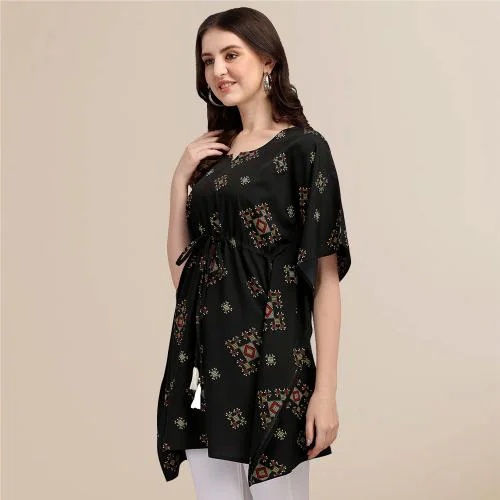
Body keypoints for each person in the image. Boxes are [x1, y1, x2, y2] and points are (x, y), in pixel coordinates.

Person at [156, 7, 352, 500]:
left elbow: (326, 279)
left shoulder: (304, 149)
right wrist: (179, 181)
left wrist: (325, 393)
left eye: (231, 55)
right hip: (205, 362)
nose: (218, 71)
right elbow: (185, 277)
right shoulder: (211, 161)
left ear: (268, 60)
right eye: (208, 61)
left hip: (274, 361)